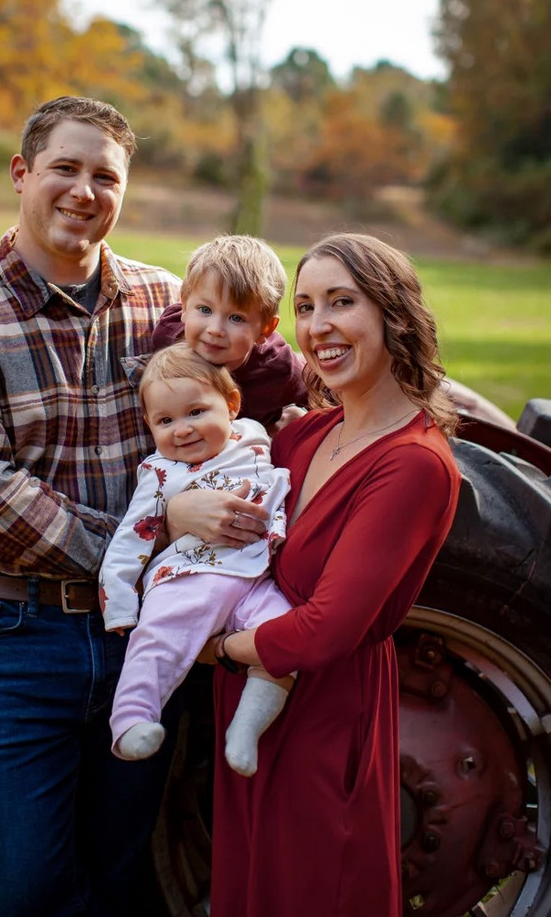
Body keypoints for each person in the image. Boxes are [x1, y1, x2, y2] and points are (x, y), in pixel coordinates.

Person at [0, 95, 228, 917]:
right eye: (65, 168)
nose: (84, 191)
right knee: (32, 887)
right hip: (15, 635)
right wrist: (148, 543)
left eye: (104, 176)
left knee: (126, 875)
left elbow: (259, 372)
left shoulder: (168, 307)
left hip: (145, 637)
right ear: (21, 174)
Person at [167, 232, 462, 917]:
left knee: (313, 887)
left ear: (393, 316)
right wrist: (180, 509)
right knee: (248, 888)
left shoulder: (413, 462)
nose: (317, 325)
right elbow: (215, 520)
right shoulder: (299, 438)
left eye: (340, 302)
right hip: (249, 705)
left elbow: (328, 626)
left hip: (327, 713)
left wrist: (209, 646)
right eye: (303, 305)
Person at [100, 343, 293, 778]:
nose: (182, 430)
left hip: (255, 576)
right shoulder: (160, 474)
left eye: (195, 412)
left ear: (231, 406)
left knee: (283, 641)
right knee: (157, 641)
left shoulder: (252, 436)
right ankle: (131, 719)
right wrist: (120, 604)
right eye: (165, 421)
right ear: (150, 426)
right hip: (190, 575)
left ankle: (246, 727)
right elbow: (130, 541)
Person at [152, 233, 309, 429]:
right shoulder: (168, 336)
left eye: (236, 318)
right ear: (184, 306)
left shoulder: (278, 366)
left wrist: (299, 418)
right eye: (205, 310)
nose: (215, 329)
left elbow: (322, 386)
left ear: (265, 329)